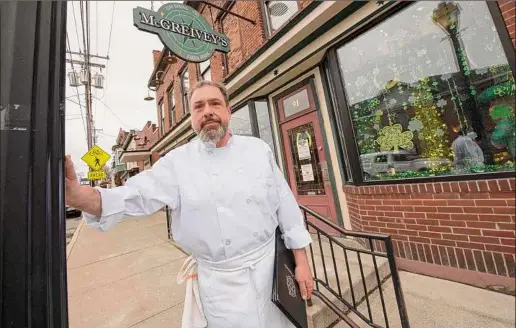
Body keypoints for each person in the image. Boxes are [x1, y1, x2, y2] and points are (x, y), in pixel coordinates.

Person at [65, 80, 314, 328]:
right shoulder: (177, 163)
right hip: (220, 287)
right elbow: (137, 195)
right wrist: (83, 198)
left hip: (271, 272)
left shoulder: (258, 150)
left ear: (229, 110)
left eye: (215, 103)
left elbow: (285, 204)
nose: (207, 111)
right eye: (198, 106)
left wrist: (300, 262)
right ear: (192, 118)